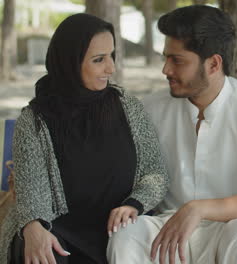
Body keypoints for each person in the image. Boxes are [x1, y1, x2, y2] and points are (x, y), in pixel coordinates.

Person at [107, 5, 237, 264]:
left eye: (177, 61)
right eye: (166, 58)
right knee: (127, 234)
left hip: (233, 231)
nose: (166, 70)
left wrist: (199, 208)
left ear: (214, 63)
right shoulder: (150, 110)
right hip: (168, 229)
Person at [0, 13, 169, 264]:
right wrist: (33, 227)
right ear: (70, 62)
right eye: (98, 60)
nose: (110, 68)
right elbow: (32, 192)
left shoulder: (129, 108)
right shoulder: (36, 119)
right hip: (57, 232)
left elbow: (156, 173)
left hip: (121, 231)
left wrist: (134, 204)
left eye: (112, 56)